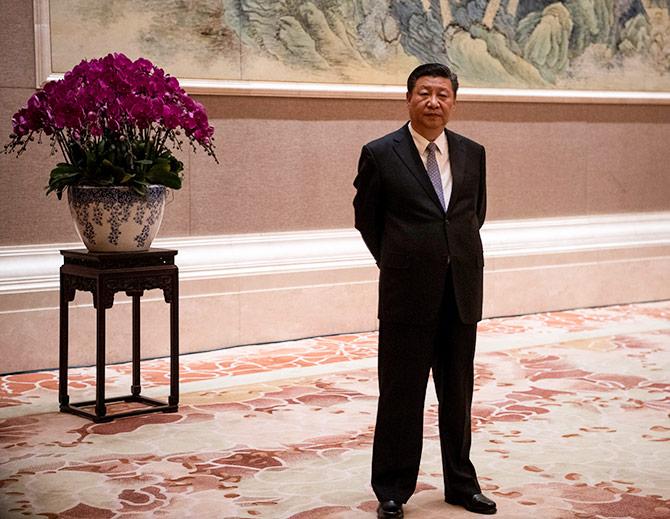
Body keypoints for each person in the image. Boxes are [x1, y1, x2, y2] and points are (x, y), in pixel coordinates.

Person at [353, 63, 496, 517]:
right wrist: (401, 259)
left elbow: (473, 216)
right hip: (406, 294)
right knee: (401, 394)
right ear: (408, 98)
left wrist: (451, 256)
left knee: (458, 395)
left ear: (453, 101)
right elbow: (367, 218)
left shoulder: (473, 153)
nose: (433, 102)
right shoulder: (380, 153)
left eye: (443, 94)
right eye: (424, 93)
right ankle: (393, 489)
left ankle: (461, 483)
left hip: (461, 292)